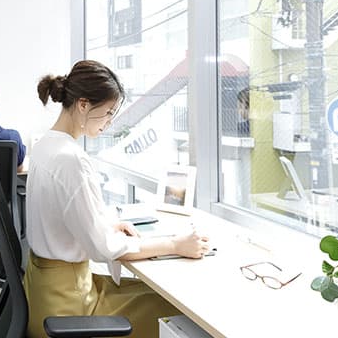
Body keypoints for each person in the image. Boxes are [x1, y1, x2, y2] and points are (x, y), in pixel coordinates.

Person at [24, 60, 212, 338]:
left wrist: (106, 225)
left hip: (44, 292)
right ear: (84, 105)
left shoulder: (45, 146)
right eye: (108, 113)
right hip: (71, 306)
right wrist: (175, 244)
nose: (110, 123)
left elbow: (61, 217)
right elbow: (103, 249)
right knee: (180, 310)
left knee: (150, 293)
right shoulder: (71, 159)